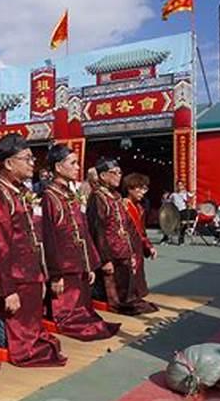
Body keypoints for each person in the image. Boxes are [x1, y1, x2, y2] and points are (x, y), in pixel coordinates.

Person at [0, 134, 67, 367]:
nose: (33, 163)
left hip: (29, 279)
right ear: (8, 163)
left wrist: (43, 274)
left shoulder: (18, 192)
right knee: (10, 341)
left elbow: (35, 239)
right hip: (10, 285)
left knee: (38, 339)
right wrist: (6, 291)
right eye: (26, 158)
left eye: (32, 158)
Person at [41, 145, 120, 340]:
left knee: (88, 315)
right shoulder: (49, 197)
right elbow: (48, 238)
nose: (78, 167)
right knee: (73, 317)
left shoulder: (70, 195)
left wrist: (90, 264)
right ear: (58, 167)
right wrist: (55, 275)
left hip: (79, 265)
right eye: (73, 163)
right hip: (64, 268)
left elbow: (84, 231)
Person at [87, 160, 158, 315]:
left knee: (129, 287)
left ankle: (130, 300)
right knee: (115, 292)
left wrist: (139, 247)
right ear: (103, 175)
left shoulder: (116, 196)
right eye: (115, 172)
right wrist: (104, 259)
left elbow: (129, 225)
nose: (119, 176)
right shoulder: (98, 197)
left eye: (120, 172)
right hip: (110, 252)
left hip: (123, 248)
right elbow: (96, 230)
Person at [122, 173, 160, 314]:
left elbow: (142, 232)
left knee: (137, 275)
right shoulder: (123, 206)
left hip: (137, 247)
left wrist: (149, 246)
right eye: (139, 188)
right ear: (130, 189)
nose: (142, 192)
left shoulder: (140, 208)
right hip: (126, 247)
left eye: (144, 189)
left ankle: (136, 299)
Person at [169, 180, 194, 245]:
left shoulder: (186, 194)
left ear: (183, 186)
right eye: (178, 185)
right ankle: (166, 238)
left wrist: (188, 201)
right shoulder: (173, 195)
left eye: (181, 185)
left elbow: (190, 201)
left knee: (183, 224)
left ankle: (181, 238)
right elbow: (169, 202)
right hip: (174, 212)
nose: (179, 186)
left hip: (183, 211)